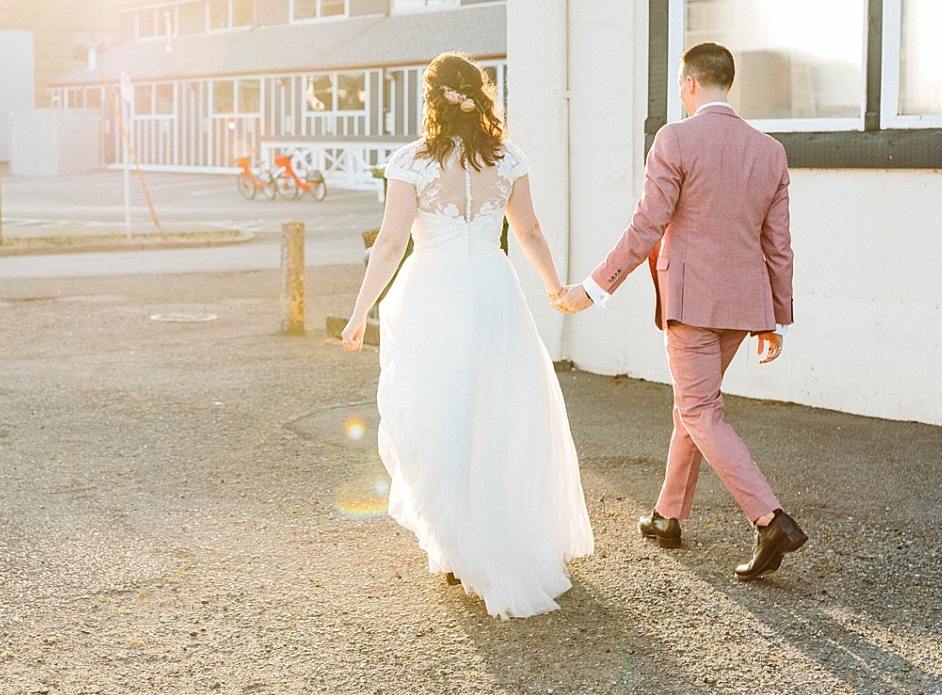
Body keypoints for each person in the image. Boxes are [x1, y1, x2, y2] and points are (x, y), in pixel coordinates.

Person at [340, 52, 593, 618]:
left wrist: (360, 311)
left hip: (432, 292)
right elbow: (527, 229)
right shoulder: (507, 157)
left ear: (431, 98)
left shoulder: (412, 162)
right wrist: (555, 286)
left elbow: (389, 244)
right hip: (493, 291)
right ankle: (488, 538)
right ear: (479, 94)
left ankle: (459, 547)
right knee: (497, 412)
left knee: (436, 414)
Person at [554, 41, 806, 580]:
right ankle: (668, 515)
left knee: (699, 410)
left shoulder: (675, 138)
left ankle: (769, 519)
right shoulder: (770, 151)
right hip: (744, 307)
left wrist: (594, 289)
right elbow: (778, 244)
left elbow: (648, 225)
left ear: (688, 84)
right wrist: (778, 319)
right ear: (727, 84)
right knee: (693, 403)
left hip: (691, 303)